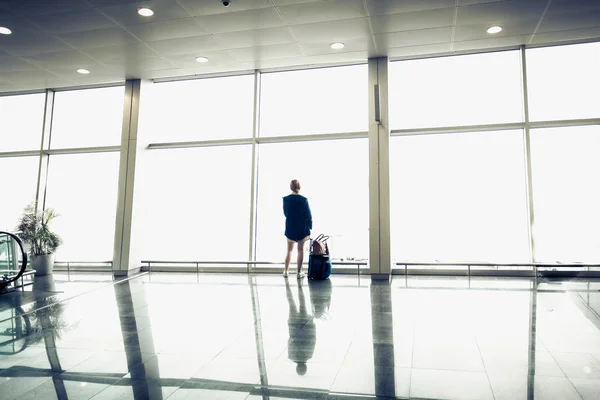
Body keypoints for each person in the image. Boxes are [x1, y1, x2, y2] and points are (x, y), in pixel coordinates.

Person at [283, 179, 312, 279]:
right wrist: (310, 226)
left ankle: (286, 271)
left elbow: (285, 213)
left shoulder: (286, 199)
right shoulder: (304, 200)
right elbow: (309, 215)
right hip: (301, 228)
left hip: (290, 227)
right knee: (300, 250)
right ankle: (299, 272)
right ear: (299, 187)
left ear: (291, 187)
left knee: (289, 250)